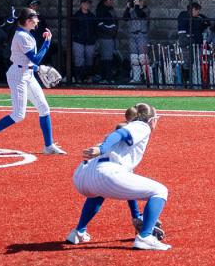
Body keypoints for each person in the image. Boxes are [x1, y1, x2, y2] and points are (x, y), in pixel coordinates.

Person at [67, 102, 170, 251]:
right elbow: (121, 134)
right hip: (105, 172)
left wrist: (135, 215)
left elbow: (128, 185)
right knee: (160, 191)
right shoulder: (142, 126)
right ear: (151, 119)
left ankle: (78, 232)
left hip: (83, 175)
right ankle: (145, 237)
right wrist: (101, 149)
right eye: (156, 118)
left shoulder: (124, 134)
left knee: (99, 192)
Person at [0, 7, 66, 156]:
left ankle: (48, 145)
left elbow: (27, 61)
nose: (37, 20)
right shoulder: (22, 36)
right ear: (28, 20)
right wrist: (47, 43)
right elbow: (34, 58)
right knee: (18, 115)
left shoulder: (27, 34)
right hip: (18, 76)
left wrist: (37, 69)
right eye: (35, 18)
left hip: (27, 73)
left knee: (44, 108)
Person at [123, 0, 150, 84]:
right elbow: (125, 18)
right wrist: (128, 8)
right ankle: (136, 78)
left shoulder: (145, 9)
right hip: (132, 35)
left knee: (143, 58)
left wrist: (138, 5)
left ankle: (147, 78)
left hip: (142, 34)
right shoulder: (132, 9)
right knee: (134, 58)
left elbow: (141, 15)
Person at [176, 2, 208, 85]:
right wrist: (189, 40)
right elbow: (183, 34)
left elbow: (206, 24)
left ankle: (197, 80)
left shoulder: (197, 18)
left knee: (197, 62)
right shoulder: (184, 16)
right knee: (187, 62)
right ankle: (187, 81)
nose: (198, 13)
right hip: (187, 44)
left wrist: (202, 19)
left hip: (197, 43)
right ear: (193, 10)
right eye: (197, 11)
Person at [71, 0, 98, 83]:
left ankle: (88, 77)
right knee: (79, 59)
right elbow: (73, 28)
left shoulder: (92, 16)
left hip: (90, 41)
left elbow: (95, 28)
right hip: (79, 41)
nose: (87, 5)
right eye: (85, 3)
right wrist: (77, 36)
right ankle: (79, 78)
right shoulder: (76, 15)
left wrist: (94, 37)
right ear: (81, 4)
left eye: (88, 3)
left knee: (89, 59)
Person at [95, 0, 118, 83]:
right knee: (106, 57)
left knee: (109, 56)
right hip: (105, 37)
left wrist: (114, 29)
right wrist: (111, 29)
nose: (112, 1)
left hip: (111, 37)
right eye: (110, 0)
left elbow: (115, 21)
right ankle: (106, 78)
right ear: (105, 1)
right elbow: (100, 25)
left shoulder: (111, 9)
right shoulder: (100, 10)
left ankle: (106, 77)